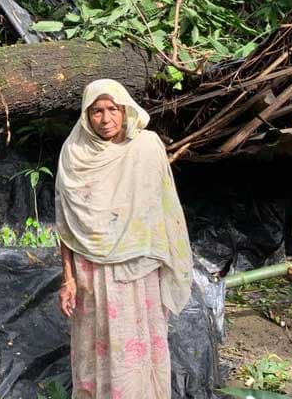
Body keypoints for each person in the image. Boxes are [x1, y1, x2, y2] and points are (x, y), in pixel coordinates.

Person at [55, 79, 193, 399]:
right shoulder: (75, 153)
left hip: (139, 267)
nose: (105, 119)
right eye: (97, 111)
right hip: (91, 269)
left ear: (125, 109)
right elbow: (66, 223)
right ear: (86, 116)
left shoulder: (146, 146)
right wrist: (69, 279)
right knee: (95, 344)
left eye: (112, 109)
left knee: (139, 344)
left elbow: (163, 209)